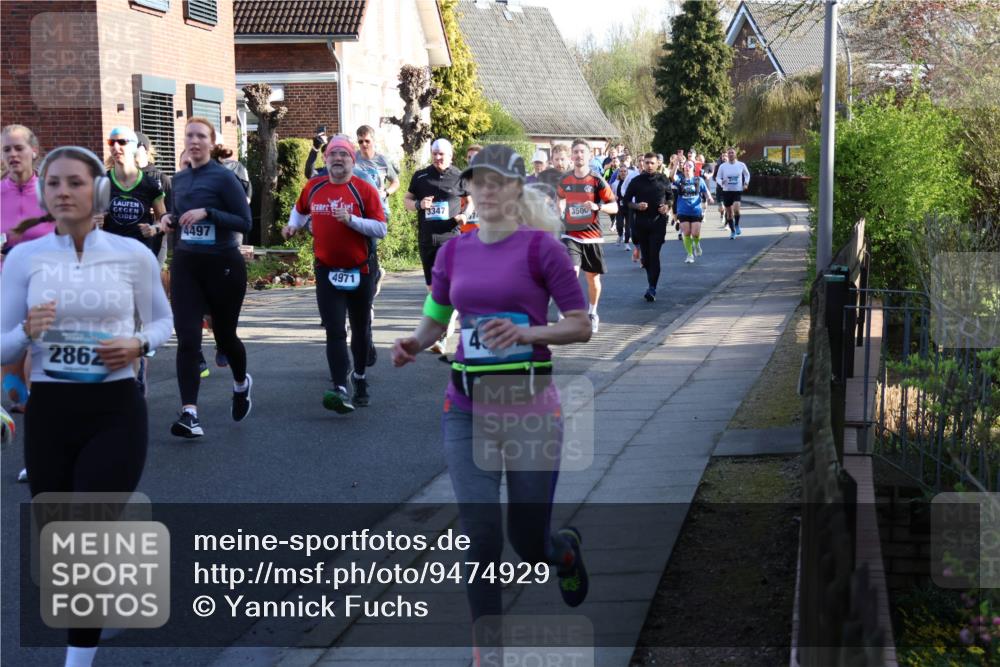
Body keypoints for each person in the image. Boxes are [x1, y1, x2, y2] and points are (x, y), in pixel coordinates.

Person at [391, 144, 591, 662]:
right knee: (479, 534)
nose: (484, 190)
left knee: (528, 543)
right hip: (466, 409)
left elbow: (580, 325)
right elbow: (436, 317)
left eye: (496, 182)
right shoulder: (454, 252)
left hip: (531, 412)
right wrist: (415, 341)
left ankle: (563, 552)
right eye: (477, 181)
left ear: (517, 190)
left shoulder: (543, 250)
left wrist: (528, 334)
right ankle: (488, 652)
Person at [1, 145, 172, 667]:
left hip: (115, 410)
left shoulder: (132, 255)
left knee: (85, 530)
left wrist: (138, 344)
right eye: (53, 183)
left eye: (74, 182)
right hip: (50, 413)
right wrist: (25, 332)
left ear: (97, 191)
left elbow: (162, 321)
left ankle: (77, 659)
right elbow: (2, 348)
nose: (62, 192)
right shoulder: (23, 259)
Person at [162, 117, 253, 438]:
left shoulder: (224, 178)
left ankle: (241, 384)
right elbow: (177, 217)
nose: (194, 140)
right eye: (189, 135)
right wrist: (168, 219)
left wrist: (208, 213)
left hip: (223, 266)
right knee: (188, 339)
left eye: (201, 135)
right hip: (187, 265)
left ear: (212, 143)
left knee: (225, 338)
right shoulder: (179, 179)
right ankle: (190, 414)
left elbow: (245, 221)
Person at [282, 135, 385, 412]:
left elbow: (381, 228)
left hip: (361, 268)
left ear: (352, 160)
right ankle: (340, 387)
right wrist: (292, 226)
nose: (338, 159)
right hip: (327, 270)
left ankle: (359, 377)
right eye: (332, 154)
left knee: (360, 329)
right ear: (325, 159)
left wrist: (352, 220)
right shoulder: (314, 186)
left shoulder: (364, 189)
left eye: (344, 154)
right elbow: (299, 210)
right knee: (335, 330)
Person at [2, 125, 54, 419]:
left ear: (33, 151)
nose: (13, 154)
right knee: (13, 386)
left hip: (45, 283)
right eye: (6, 149)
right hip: (7, 286)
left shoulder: (50, 191)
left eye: (18, 148)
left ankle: (43, 409)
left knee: (40, 350)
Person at [404, 138, 468, 355]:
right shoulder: (420, 176)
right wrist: (418, 204)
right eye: (435, 153)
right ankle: (445, 320)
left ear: (450, 155)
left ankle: (439, 335)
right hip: (427, 240)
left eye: (442, 154)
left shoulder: (460, 176)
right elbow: (406, 200)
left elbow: (472, 201)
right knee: (432, 291)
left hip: (450, 239)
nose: (438, 157)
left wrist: (464, 214)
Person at [557, 139, 618, 333]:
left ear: (589, 155)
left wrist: (597, 206)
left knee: (592, 279)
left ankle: (592, 312)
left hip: (592, 236)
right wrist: (560, 208)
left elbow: (614, 206)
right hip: (571, 235)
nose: (578, 155)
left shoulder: (596, 180)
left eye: (582, 152)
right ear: (571, 156)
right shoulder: (565, 180)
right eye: (575, 152)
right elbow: (560, 197)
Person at [625, 152, 674, 301]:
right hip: (641, 224)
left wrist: (667, 206)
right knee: (646, 259)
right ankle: (651, 284)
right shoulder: (636, 181)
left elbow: (671, 197)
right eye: (647, 163)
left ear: (658, 163)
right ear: (643, 164)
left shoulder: (663, 179)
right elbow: (627, 201)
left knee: (654, 255)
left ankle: (652, 288)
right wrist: (637, 206)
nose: (649, 165)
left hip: (658, 223)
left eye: (652, 163)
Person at [673, 160, 714, 264]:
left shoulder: (698, 180)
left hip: (696, 210)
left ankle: (696, 244)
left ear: (694, 168)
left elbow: (705, 191)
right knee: (686, 233)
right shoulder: (680, 180)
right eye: (686, 166)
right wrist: (675, 164)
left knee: (695, 234)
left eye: (690, 166)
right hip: (683, 210)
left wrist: (709, 198)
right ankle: (690, 255)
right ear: (683, 168)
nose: (687, 167)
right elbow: (672, 176)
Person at [716, 147, 751, 239]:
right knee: (729, 213)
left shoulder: (741, 165)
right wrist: (721, 182)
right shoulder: (723, 166)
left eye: (732, 152)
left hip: (737, 190)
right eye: (729, 153)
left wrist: (746, 183)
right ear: (727, 155)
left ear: (735, 154)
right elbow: (718, 177)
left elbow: (747, 174)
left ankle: (737, 225)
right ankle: (732, 232)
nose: (731, 154)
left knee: (736, 209)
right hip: (727, 191)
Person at [609, 161, 638, 250]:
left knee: (628, 227)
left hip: (629, 207)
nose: (623, 173)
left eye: (625, 171)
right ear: (618, 173)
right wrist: (614, 197)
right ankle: (620, 235)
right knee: (619, 225)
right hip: (619, 207)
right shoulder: (615, 183)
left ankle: (626, 243)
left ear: (627, 173)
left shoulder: (630, 183)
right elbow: (611, 194)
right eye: (621, 171)